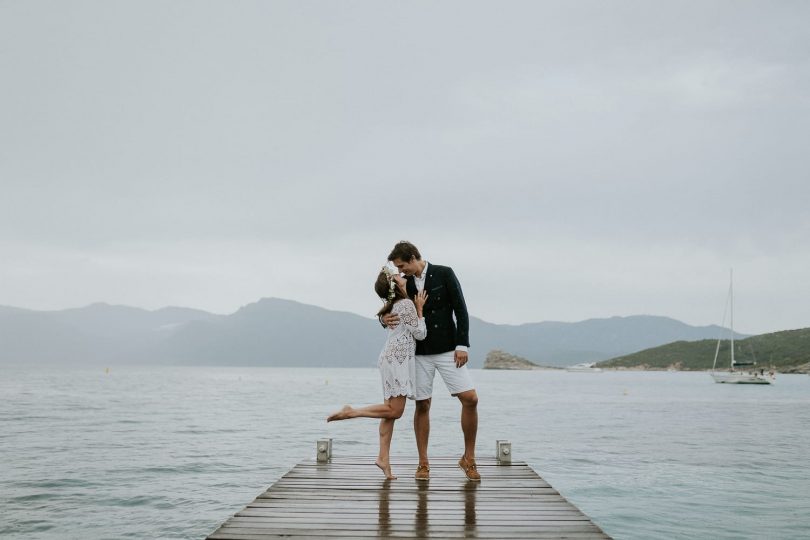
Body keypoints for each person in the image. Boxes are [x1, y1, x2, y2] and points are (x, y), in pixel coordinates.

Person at [382, 241, 480, 481]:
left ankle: (468, 458)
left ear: (414, 257)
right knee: (423, 405)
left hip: (449, 349)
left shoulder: (445, 273)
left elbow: (461, 308)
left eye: (402, 265)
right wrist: (384, 319)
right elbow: (390, 307)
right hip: (419, 352)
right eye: (397, 267)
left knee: (470, 399)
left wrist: (461, 344)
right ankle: (423, 463)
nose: (400, 270)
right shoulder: (403, 284)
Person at [327, 266, 428, 480]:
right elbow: (420, 334)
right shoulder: (407, 304)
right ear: (394, 285)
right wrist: (420, 310)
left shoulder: (391, 307)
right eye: (397, 276)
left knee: (387, 411)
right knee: (395, 411)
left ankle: (383, 459)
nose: (401, 277)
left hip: (389, 358)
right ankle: (351, 412)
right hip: (398, 361)